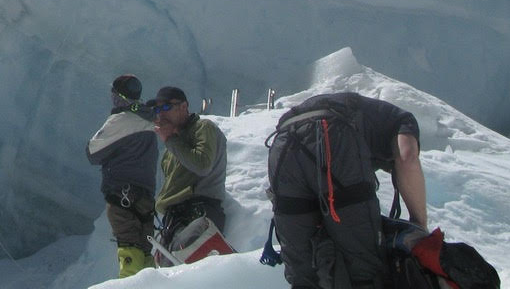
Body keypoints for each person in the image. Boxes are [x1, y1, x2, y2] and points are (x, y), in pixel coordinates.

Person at [266, 91, 427, 289]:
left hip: (283, 144)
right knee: (364, 269)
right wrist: (419, 224)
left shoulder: (367, 112)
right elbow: (407, 157)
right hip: (332, 135)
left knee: (302, 273)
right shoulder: (403, 120)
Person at [86, 75, 158, 278]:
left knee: (129, 248)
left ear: (117, 97)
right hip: (146, 197)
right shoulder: (148, 119)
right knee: (144, 250)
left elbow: (92, 152)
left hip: (122, 195)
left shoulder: (120, 120)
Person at [150, 86, 228, 252]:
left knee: (181, 257)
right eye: (157, 109)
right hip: (175, 220)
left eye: (166, 107)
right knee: (170, 261)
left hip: (199, 211)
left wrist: (170, 139)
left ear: (183, 106)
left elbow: (202, 165)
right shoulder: (171, 148)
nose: (161, 113)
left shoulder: (203, 127)